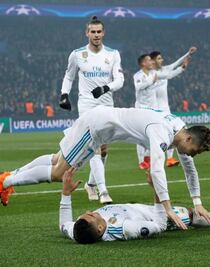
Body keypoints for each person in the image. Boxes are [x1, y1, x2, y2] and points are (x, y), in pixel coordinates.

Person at [0, 106, 210, 229]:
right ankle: (3, 183)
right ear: (189, 141)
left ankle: (8, 177)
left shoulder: (179, 127)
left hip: (99, 120)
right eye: (196, 151)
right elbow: (156, 169)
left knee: (57, 159)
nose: (194, 155)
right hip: (96, 129)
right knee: (59, 173)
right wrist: (167, 208)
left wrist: (197, 202)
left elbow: (189, 168)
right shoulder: (161, 132)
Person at [59, 167, 210, 243]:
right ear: (101, 228)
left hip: (135, 209)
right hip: (151, 215)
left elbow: (63, 226)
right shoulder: (126, 229)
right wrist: (157, 192)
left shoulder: (78, 231)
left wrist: (66, 194)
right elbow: (160, 226)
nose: (87, 212)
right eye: (91, 216)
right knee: (190, 213)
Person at [59, 16, 125, 204]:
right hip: (86, 104)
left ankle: (91, 184)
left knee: (103, 149)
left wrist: (106, 88)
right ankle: (103, 191)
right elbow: (69, 76)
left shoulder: (113, 54)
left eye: (99, 32)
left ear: (103, 33)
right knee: (94, 146)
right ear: (87, 33)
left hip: (106, 103)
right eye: (92, 32)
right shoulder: (77, 54)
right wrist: (64, 94)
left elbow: (120, 80)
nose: (96, 35)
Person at [133, 53, 190, 170]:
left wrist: (181, 69)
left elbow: (168, 75)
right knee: (140, 135)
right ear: (143, 63)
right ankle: (141, 161)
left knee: (154, 133)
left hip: (153, 110)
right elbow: (138, 87)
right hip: (141, 109)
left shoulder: (154, 73)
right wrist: (151, 81)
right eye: (149, 60)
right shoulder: (138, 75)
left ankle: (152, 158)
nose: (151, 62)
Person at [150, 47, 197, 167]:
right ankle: (149, 158)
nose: (162, 60)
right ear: (153, 60)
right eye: (159, 58)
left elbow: (176, 63)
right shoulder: (151, 74)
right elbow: (170, 75)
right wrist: (182, 68)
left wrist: (188, 54)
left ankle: (170, 158)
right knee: (157, 134)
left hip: (165, 108)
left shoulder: (164, 69)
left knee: (171, 131)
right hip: (154, 109)